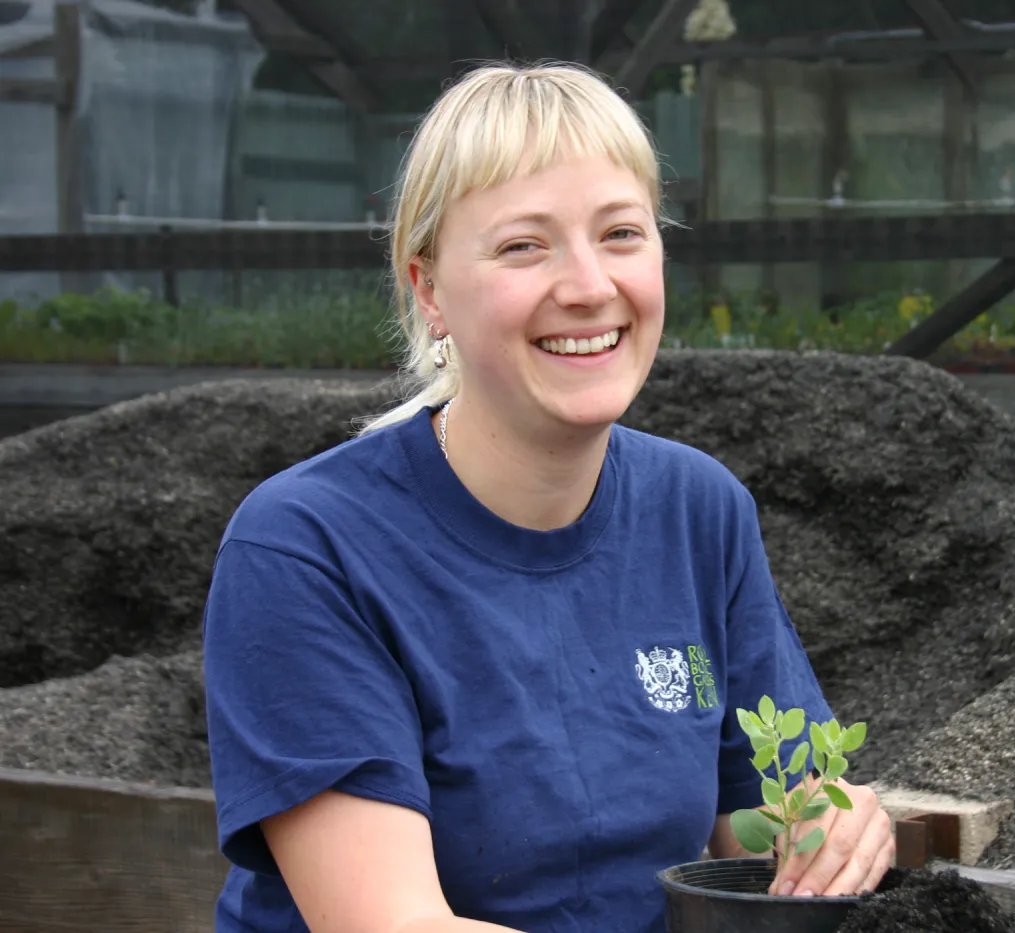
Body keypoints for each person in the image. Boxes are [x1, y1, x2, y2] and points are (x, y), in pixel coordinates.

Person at [201, 61, 893, 933]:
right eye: (524, 245)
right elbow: (393, 924)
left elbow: (766, 833)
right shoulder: (308, 547)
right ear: (428, 288)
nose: (589, 286)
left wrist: (833, 829)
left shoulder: (698, 511)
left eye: (621, 234)